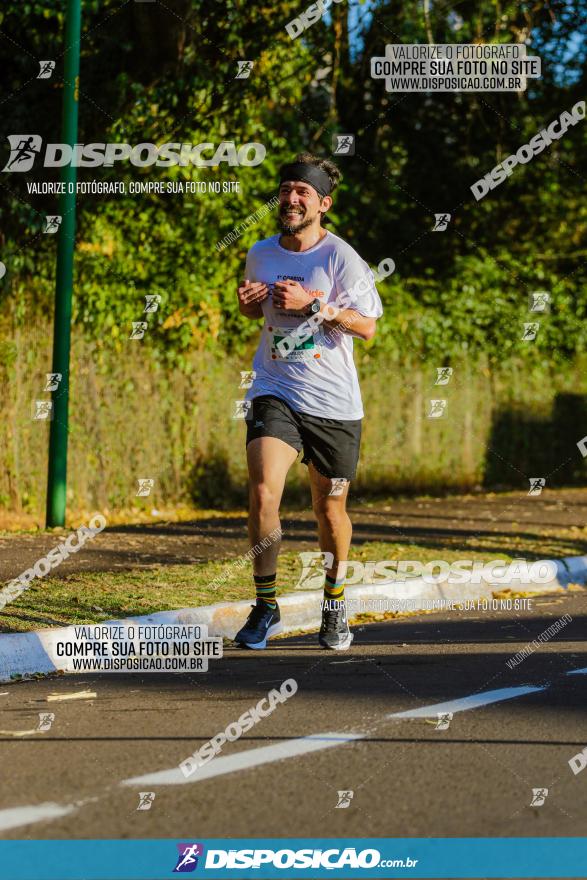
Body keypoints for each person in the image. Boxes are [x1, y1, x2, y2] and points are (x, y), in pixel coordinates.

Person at [234, 152, 383, 650]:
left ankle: (335, 604)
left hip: (334, 403)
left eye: (303, 192)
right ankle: (265, 605)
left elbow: (367, 328)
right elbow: (264, 321)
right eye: (286, 189)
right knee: (262, 492)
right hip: (275, 388)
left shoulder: (340, 257)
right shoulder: (260, 252)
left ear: (323, 203)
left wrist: (314, 304)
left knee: (330, 509)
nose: (292, 198)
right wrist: (248, 305)